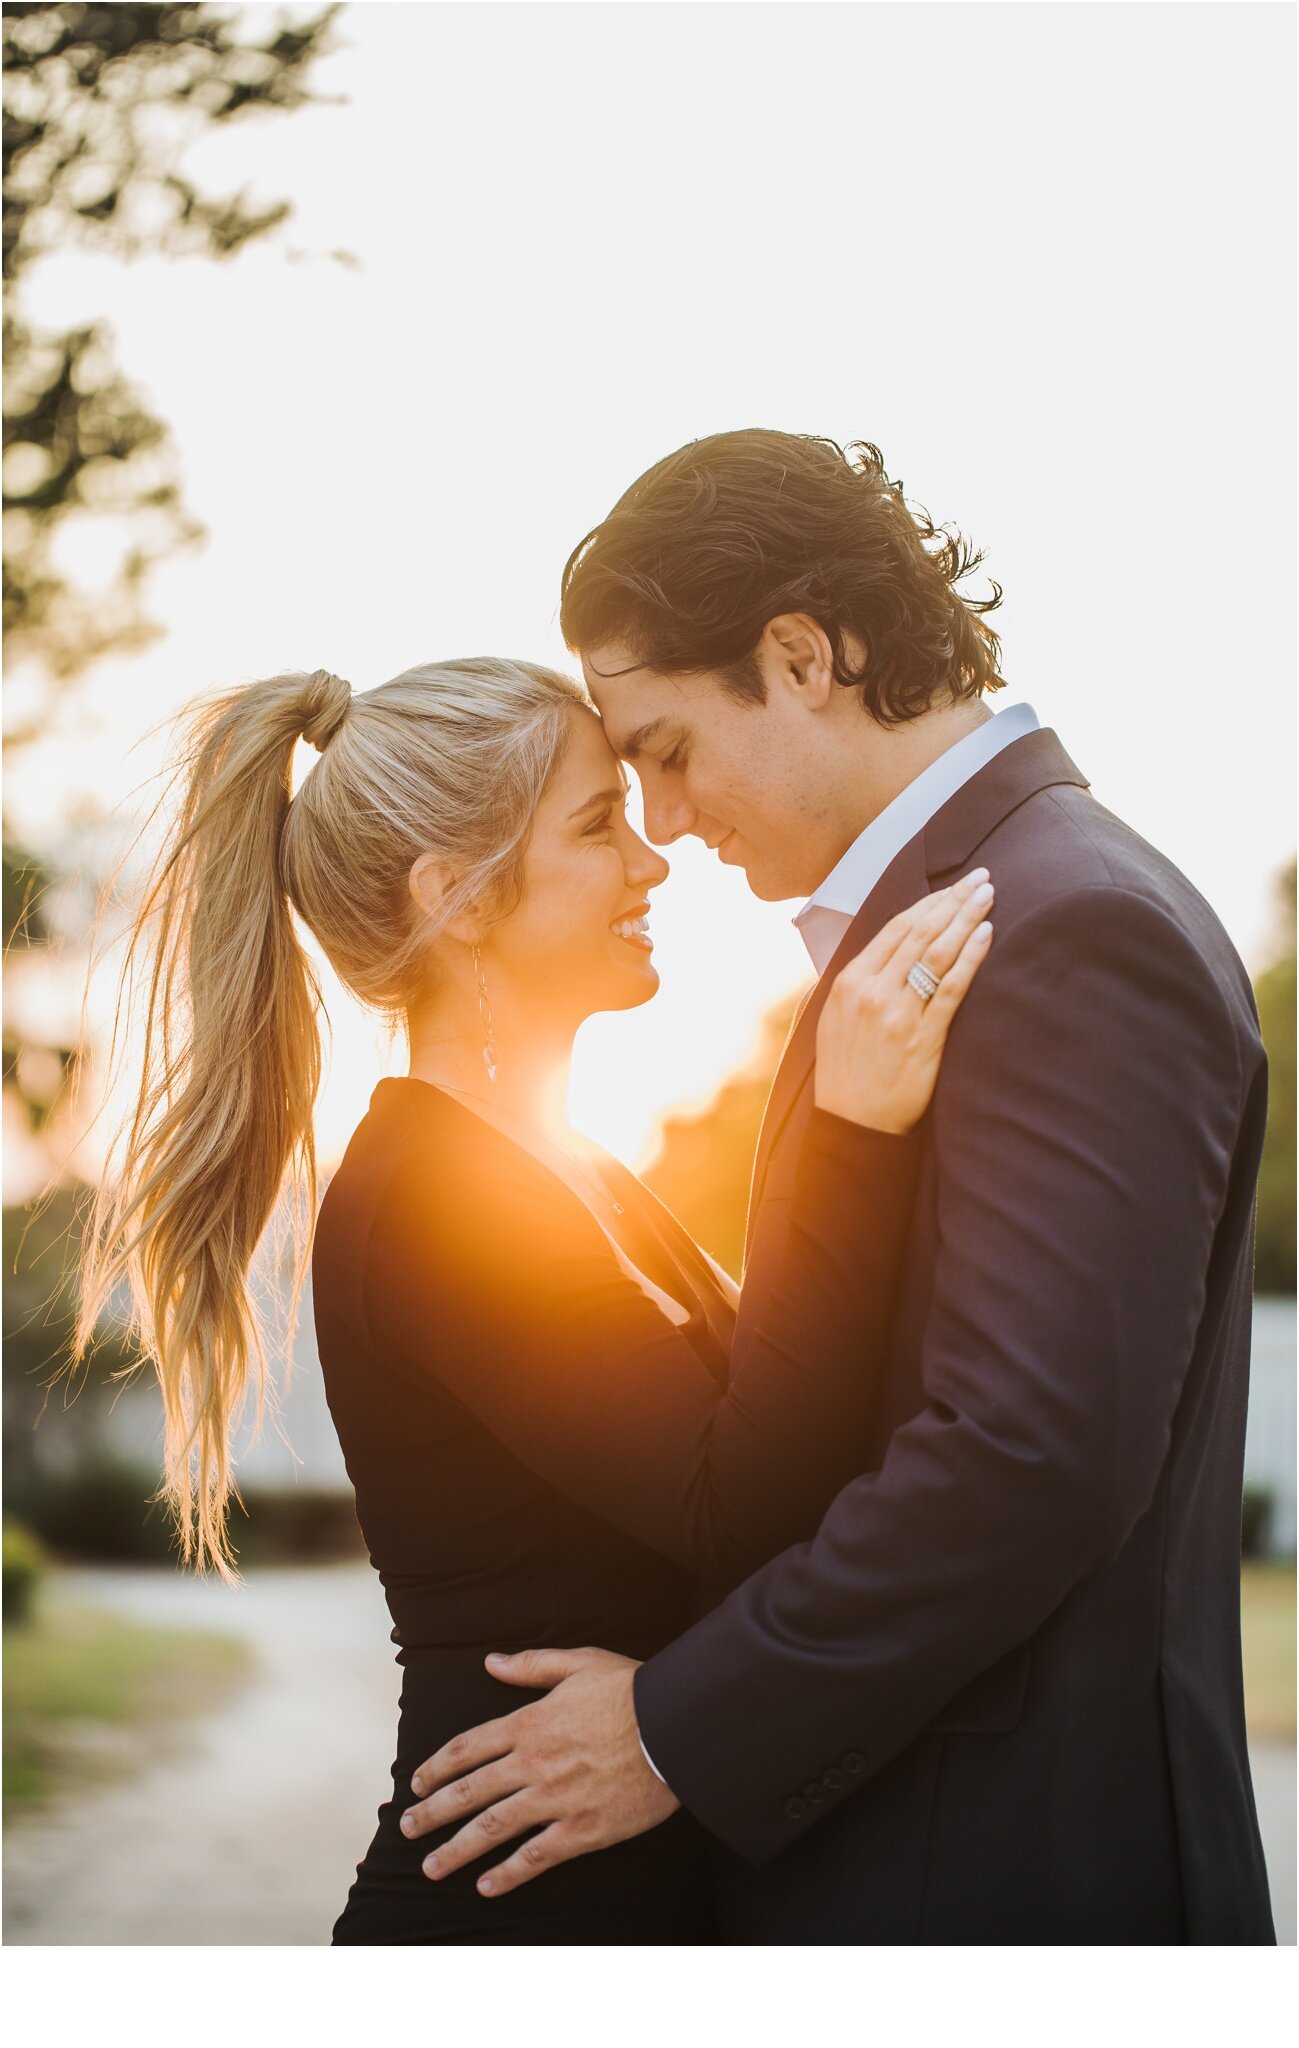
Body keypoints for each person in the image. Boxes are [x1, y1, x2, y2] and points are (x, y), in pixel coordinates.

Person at [399, 432, 1276, 1944]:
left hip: (1011, 1892)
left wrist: (677, 1728)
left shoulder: (1060, 930)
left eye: (667, 752)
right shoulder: (977, 913)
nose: (665, 824)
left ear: (801, 656)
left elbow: (1027, 1454)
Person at [77, 652, 993, 1944]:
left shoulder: (558, 1173)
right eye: (595, 826)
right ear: (456, 900)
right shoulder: (434, 1201)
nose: (650, 862)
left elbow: (792, 1429)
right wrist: (848, 1132)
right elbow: (741, 1502)